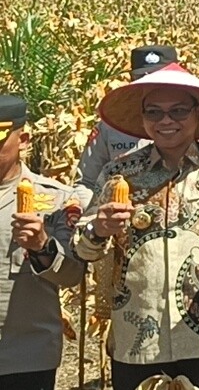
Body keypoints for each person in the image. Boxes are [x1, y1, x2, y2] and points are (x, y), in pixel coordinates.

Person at [75, 64, 199, 390]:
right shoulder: (119, 172)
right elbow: (83, 247)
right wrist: (98, 229)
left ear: (198, 115)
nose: (166, 121)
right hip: (137, 332)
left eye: (178, 111)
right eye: (154, 112)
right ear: (142, 119)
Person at [0, 95, 90, 390]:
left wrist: (42, 245)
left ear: (23, 139)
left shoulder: (57, 199)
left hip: (25, 357)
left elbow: (72, 275)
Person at [77, 45, 199, 191]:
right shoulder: (109, 131)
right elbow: (87, 183)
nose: (166, 120)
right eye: (142, 78)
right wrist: (97, 213)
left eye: (178, 110)